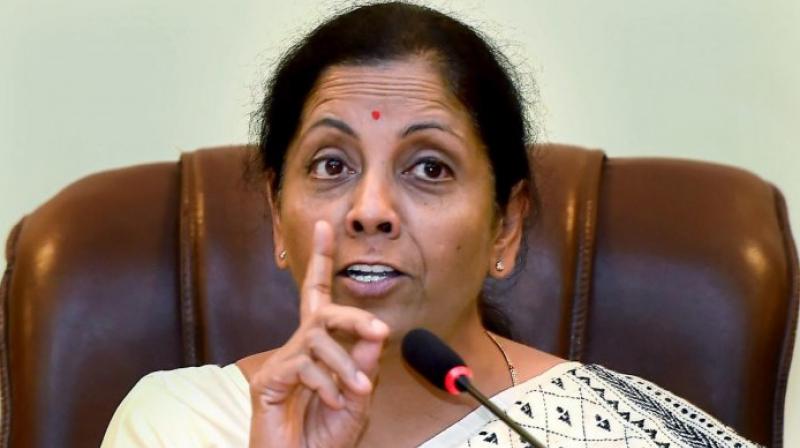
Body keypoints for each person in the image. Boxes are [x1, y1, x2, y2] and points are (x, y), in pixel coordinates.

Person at [101, 3, 760, 447]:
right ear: (277, 216)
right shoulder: (179, 426)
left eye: (430, 168)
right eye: (331, 164)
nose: (371, 210)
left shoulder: (608, 433)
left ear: (506, 226)